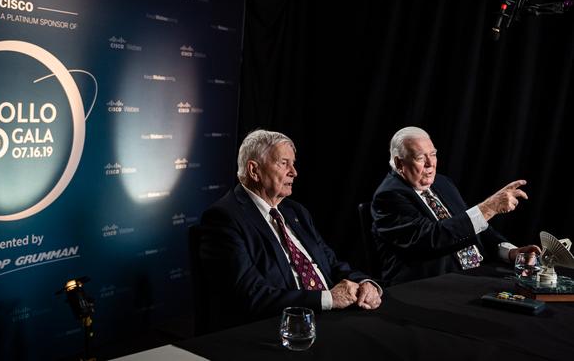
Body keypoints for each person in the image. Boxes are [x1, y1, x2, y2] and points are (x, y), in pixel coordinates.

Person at [197, 129, 381, 331]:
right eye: (283, 163)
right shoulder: (224, 218)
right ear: (254, 170)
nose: (294, 172)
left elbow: (330, 263)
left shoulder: (295, 211)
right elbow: (251, 295)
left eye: (293, 164)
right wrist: (328, 299)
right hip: (281, 328)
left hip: (332, 317)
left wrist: (364, 283)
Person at [371, 126, 541, 285]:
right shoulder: (388, 196)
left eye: (433, 154)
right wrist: (489, 208)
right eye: (421, 158)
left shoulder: (442, 183)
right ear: (400, 163)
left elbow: (474, 226)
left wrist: (511, 253)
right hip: (429, 285)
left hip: (476, 274)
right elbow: (432, 238)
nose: (431, 164)